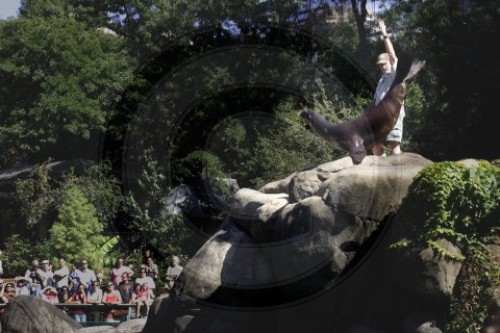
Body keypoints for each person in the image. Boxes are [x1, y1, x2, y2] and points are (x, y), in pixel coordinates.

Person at [370, 19, 405, 157]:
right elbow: (375, 101)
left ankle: (399, 175)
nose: (382, 66)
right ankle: (384, 173)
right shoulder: (381, 80)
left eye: (384, 63)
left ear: (390, 63)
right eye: (380, 64)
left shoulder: (394, 75)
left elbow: (394, 56)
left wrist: (384, 33)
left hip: (393, 114)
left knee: (394, 145)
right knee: (375, 145)